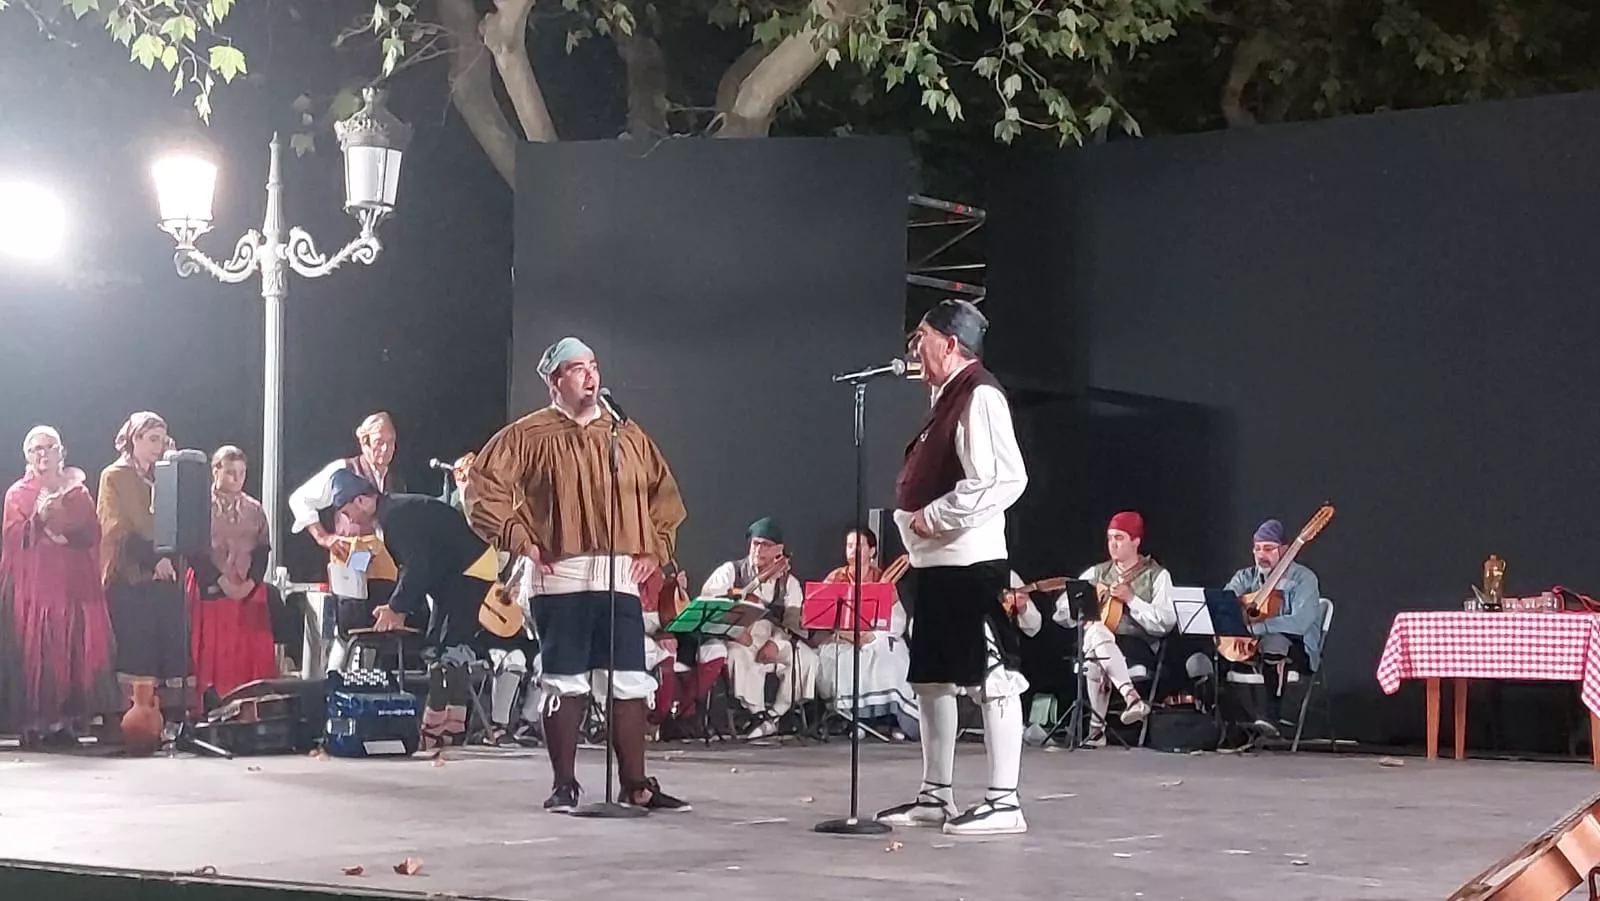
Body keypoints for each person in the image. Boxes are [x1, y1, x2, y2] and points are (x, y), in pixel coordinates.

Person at [467, 336, 690, 813]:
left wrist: (656, 548)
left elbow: (663, 494)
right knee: (565, 680)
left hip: (618, 575)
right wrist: (521, 538)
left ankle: (636, 785)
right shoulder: (528, 435)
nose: (590, 375)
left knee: (628, 678)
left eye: (593, 365)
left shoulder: (626, 434)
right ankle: (564, 785)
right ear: (555, 381)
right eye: (576, 368)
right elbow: (482, 489)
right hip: (560, 573)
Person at [876, 299, 1030, 836]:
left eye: (921, 336)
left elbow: (1003, 479)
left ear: (949, 342)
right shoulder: (947, 400)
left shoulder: (980, 394)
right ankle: (935, 795)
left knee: (994, 677)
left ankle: (1004, 801)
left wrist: (932, 517)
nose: (914, 348)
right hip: (937, 565)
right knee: (934, 681)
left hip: (969, 564)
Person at [330, 469, 491, 749]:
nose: (349, 519)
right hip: (453, 572)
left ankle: (437, 725)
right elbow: (417, 567)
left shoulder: (395, 517)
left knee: (448, 649)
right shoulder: (391, 516)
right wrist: (396, 605)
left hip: (470, 568)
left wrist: (396, 608)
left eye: (347, 511)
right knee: (439, 646)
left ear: (363, 501)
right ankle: (451, 724)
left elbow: (417, 565)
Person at [0, 426, 119, 746]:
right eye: (37, 449)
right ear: (27, 455)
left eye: (49, 447)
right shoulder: (17, 494)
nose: (43, 454)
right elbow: (13, 539)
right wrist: (38, 518)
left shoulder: (78, 492)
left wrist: (66, 532)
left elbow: (93, 534)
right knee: (40, 654)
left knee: (74, 652)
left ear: (60, 452)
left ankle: (68, 722)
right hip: (36, 590)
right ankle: (38, 723)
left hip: (74, 587)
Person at [1014, 512, 1162, 744]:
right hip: (1101, 642)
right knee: (1096, 632)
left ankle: (1096, 729)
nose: (1113, 544)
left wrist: (1133, 600)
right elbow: (1061, 613)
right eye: (1110, 537)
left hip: (1137, 646)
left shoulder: (1156, 575)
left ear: (1136, 541)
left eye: (1120, 538)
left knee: (1094, 638)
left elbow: (1166, 622)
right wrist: (1083, 604)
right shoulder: (1097, 572)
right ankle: (1130, 698)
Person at [288, 412, 424, 662]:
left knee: (379, 631)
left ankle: (369, 687)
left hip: (384, 565)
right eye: (378, 442)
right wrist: (323, 537)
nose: (385, 449)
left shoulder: (395, 481)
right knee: (348, 632)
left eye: (391, 442)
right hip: (352, 559)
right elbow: (300, 499)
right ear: (364, 442)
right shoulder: (344, 470)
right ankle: (335, 686)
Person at [97, 412, 190, 713]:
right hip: (130, 576)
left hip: (165, 576)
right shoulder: (114, 476)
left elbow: (176, 521)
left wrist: (166, 559)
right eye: (152, 439)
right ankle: (131, 720)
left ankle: (167, 720)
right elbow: (115, 528)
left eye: (162, 440)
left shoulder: (163, 475)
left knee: (167, 647)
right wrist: (152, 560)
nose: (158, 446)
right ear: (133, 439)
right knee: (135, 649)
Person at [700, 517, 816, 739]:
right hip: (741, 636)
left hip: (774, 636)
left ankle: (774, 715)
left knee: (808, 659)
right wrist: (732, 630)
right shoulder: (730, 571)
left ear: (779, 550)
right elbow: (709, 605)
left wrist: (777, 643)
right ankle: (757, 713)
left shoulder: (789, 583)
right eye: (755, 543)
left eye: (765, 545)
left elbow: (793, 622)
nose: (759, 549)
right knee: (736, 655)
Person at [188, 446, 279, 702]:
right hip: (211, 587)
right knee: (214, 652)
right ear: (215, 471)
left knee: (249, 654)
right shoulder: (200, 507)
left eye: (241, 473)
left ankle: (249, 706)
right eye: (230, 473)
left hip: (249, 591)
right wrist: (221, 582)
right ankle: (209, 705)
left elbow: (263, 549)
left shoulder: (254, 508)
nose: (237, 479)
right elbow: (194, 550)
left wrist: (249, 584)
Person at [1222, 518, 1324, 735]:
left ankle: (1270, 715)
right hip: (1252, 646)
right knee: (1208, 652)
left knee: (1274, 643)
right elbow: (1225, 605)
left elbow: (1300, 622)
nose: (1261, 555)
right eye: (1257, 549)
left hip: (1297, 648)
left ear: (1285, 550)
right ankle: (1225, 724)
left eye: (1268, 549)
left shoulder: (1303, 578)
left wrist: (1258, 628)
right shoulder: (1245, 577)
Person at [815, 527, 917, 740]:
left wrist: (873, 635)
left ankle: (893, 721)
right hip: (842, 638)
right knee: (840, 659)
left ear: (872, 551)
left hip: (873, 636)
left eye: (859, 546)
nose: (853, 550)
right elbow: (821, 615)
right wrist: (845, 633)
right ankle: (854, 720)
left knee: (891, 656)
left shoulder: (882, 579)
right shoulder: (835, 578)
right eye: (849, 546)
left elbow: (897, 619)